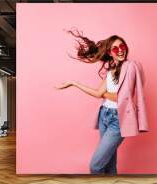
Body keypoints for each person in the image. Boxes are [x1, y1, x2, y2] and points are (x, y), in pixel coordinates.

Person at [55, 29, 149, 175]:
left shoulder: (131, 67)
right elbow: (98, 93)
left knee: (96, 166)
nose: (120, 51)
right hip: (104, 116)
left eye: (122, 47)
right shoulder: (111, 71)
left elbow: (123, 97)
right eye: (115, 48)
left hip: (118, 120)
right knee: (109, 165)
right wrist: (74, 83)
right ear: (110, 52)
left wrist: (105, 95)